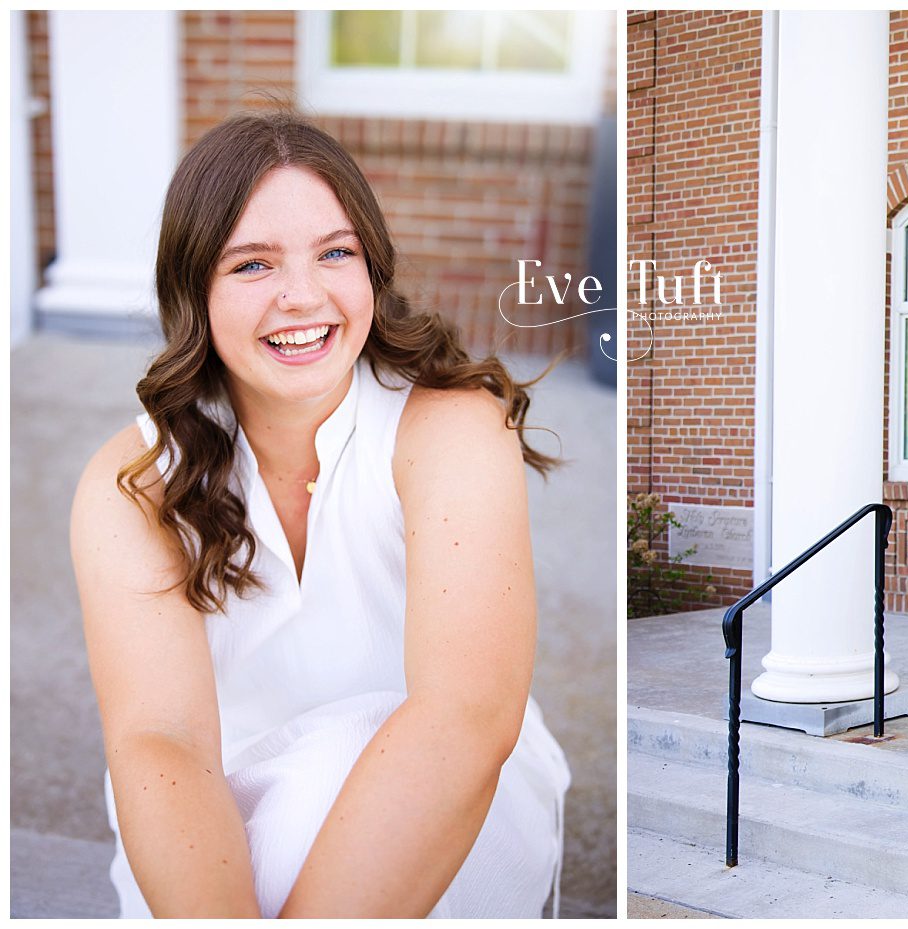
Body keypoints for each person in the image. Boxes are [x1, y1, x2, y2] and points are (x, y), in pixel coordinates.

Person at [68, 111, 570, 917]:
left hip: (454, 792)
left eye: (336, 252)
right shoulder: (132, 483)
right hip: (219, 801)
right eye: (253, 264)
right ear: (193, 288)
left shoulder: (449, 430)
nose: (303, 295)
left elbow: (464, 721)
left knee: (326, 790)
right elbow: (164, 741)